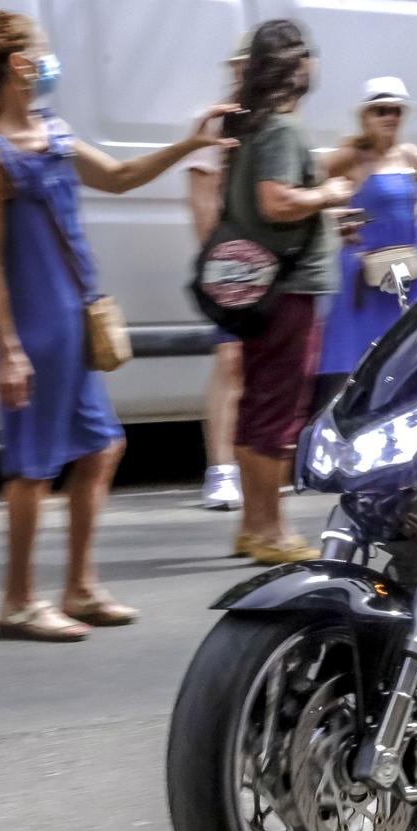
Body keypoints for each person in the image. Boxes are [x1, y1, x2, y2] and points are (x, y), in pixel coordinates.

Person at [0, 9, 227, 642]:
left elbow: (120, 178)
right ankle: (17, 601)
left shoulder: (56, 137)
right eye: (40, 54)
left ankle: (80, 586)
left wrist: (191, 143)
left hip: (75, 322)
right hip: (35, 331)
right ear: (19, 67)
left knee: (101, 447)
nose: (48, 63)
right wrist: (9, 351)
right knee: (33, 467)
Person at [224, 19, 355, 563]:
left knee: (259, 406)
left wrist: (327, 219)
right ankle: (269, 531)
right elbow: (277, 201)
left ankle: (255, 526)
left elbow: (267, 209)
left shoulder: (252, 126)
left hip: (259, 286)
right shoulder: (281, 128)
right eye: (311, 56)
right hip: (287, 292)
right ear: (295, 64)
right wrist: (327, 194)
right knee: (278, 413)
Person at [316, 77, 417, 396]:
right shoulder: (350, 157)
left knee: (403, 350)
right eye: (381, 110)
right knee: (355, 353)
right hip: (364, 270)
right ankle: (341, 421)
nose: (390, 117)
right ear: (365, 117)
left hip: (403, 270)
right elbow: (311, 190)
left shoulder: (410, 155)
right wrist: (336, 216)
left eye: (396, 111)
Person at [185, 33, 250, 511]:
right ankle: (221, 469)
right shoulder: (215, 122)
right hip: (234, 261)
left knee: (265, 366)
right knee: (230, 361)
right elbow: (202, 202)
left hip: (279, 260)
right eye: (245, 66)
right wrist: (224, 262)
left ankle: (256, 465)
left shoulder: (278, 122)